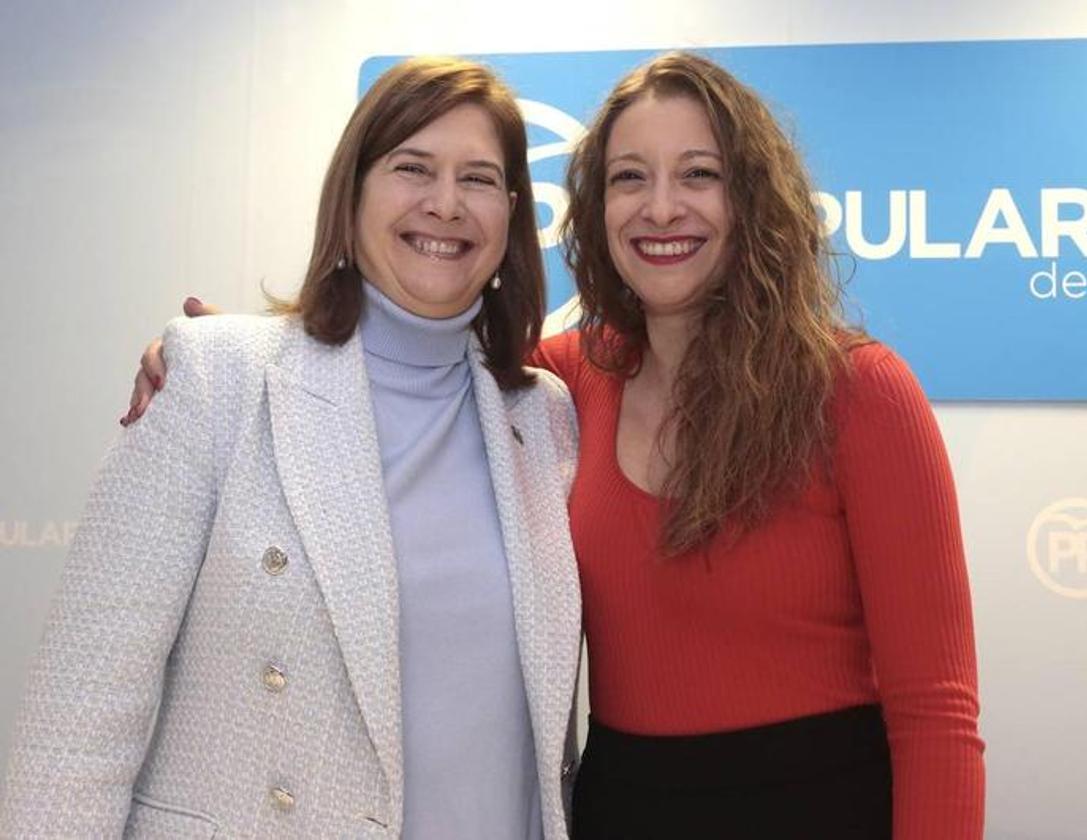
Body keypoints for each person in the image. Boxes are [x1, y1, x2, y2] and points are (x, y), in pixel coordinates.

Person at [120, 51, 986, 839]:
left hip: (821, 809)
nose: (661, 208)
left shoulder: (859, 392)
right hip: (620, 807)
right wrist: (216, 354)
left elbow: (937, 714)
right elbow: (394, 345)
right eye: (629, 178)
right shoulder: (563, 381)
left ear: (752, 199)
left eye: (700, 175)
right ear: (596, 205)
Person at [0, 57, 581, 840]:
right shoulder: (217, 378)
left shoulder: (543, 419)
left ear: (512, 213)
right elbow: (79, 720)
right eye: (413, 168)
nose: (445, 205)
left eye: (477, 179)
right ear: (353, 193)